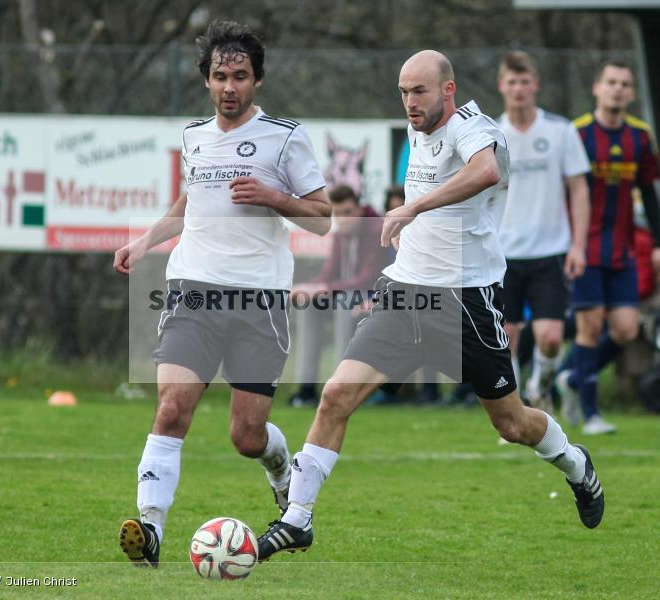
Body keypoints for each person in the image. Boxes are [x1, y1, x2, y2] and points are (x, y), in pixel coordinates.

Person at [257, 50, 604, 561]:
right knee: (335, 396)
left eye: (419, 91)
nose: (409, 102)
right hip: (405, 293)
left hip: (468, 301)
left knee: (511, 424)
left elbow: (486, 170)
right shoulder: (418, 130)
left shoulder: (472, 125)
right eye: (402, 91)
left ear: (448, 89)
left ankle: (577, 466)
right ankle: (298, 519)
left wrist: (412, 206)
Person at [111, 20, 331, 568]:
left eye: (239, 76)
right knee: (170, 408)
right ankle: (151, 528)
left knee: (247, 433)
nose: (229, 86)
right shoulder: (194, 136)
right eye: (219, 76)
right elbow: (191, 202)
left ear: (257, 80)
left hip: (259, 299)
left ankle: (283, 474)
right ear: (207, 81)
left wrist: (275, 197)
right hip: (193, 291)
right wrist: (143, 243)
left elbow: (324, 217)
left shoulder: (285, 136)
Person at [555, 60, 660, 435]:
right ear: (597, 88)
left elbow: (650, 194)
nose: (618, 89)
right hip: (584, 248)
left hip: (622, 251)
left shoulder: (640, 136)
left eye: (624, 83)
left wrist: (659, 245)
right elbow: (561, 191)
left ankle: (573, 375)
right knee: (589, 327)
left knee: (624, 329)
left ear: (632, 93)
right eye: (611, 82)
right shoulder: (578, 133)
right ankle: (590, 414)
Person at [496, 51, 590, 414]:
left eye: (525, 81)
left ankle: (541, 386)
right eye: (512, 82)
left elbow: (579, 189)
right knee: (506, 339)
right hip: (502, 253)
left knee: (550, 338)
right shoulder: (491, 132)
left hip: (551, 251)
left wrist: (578, 246)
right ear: (501, 86)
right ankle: (517, 410)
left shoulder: (560, 130)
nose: (518, 89)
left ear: (535, 84)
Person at [289, 184, 390, 407]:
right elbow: (329, 273)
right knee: (309, 305)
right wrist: (306, 288)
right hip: (349, 294)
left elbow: (367, 278)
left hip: (379, 297)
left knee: (345, 301)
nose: (343, 219)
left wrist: (326, 288)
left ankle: (340, 387)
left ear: (360, 209)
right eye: (337, 214)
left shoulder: (376, 229)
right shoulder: (341, 234)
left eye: (347, 212)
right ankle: (306, 389)